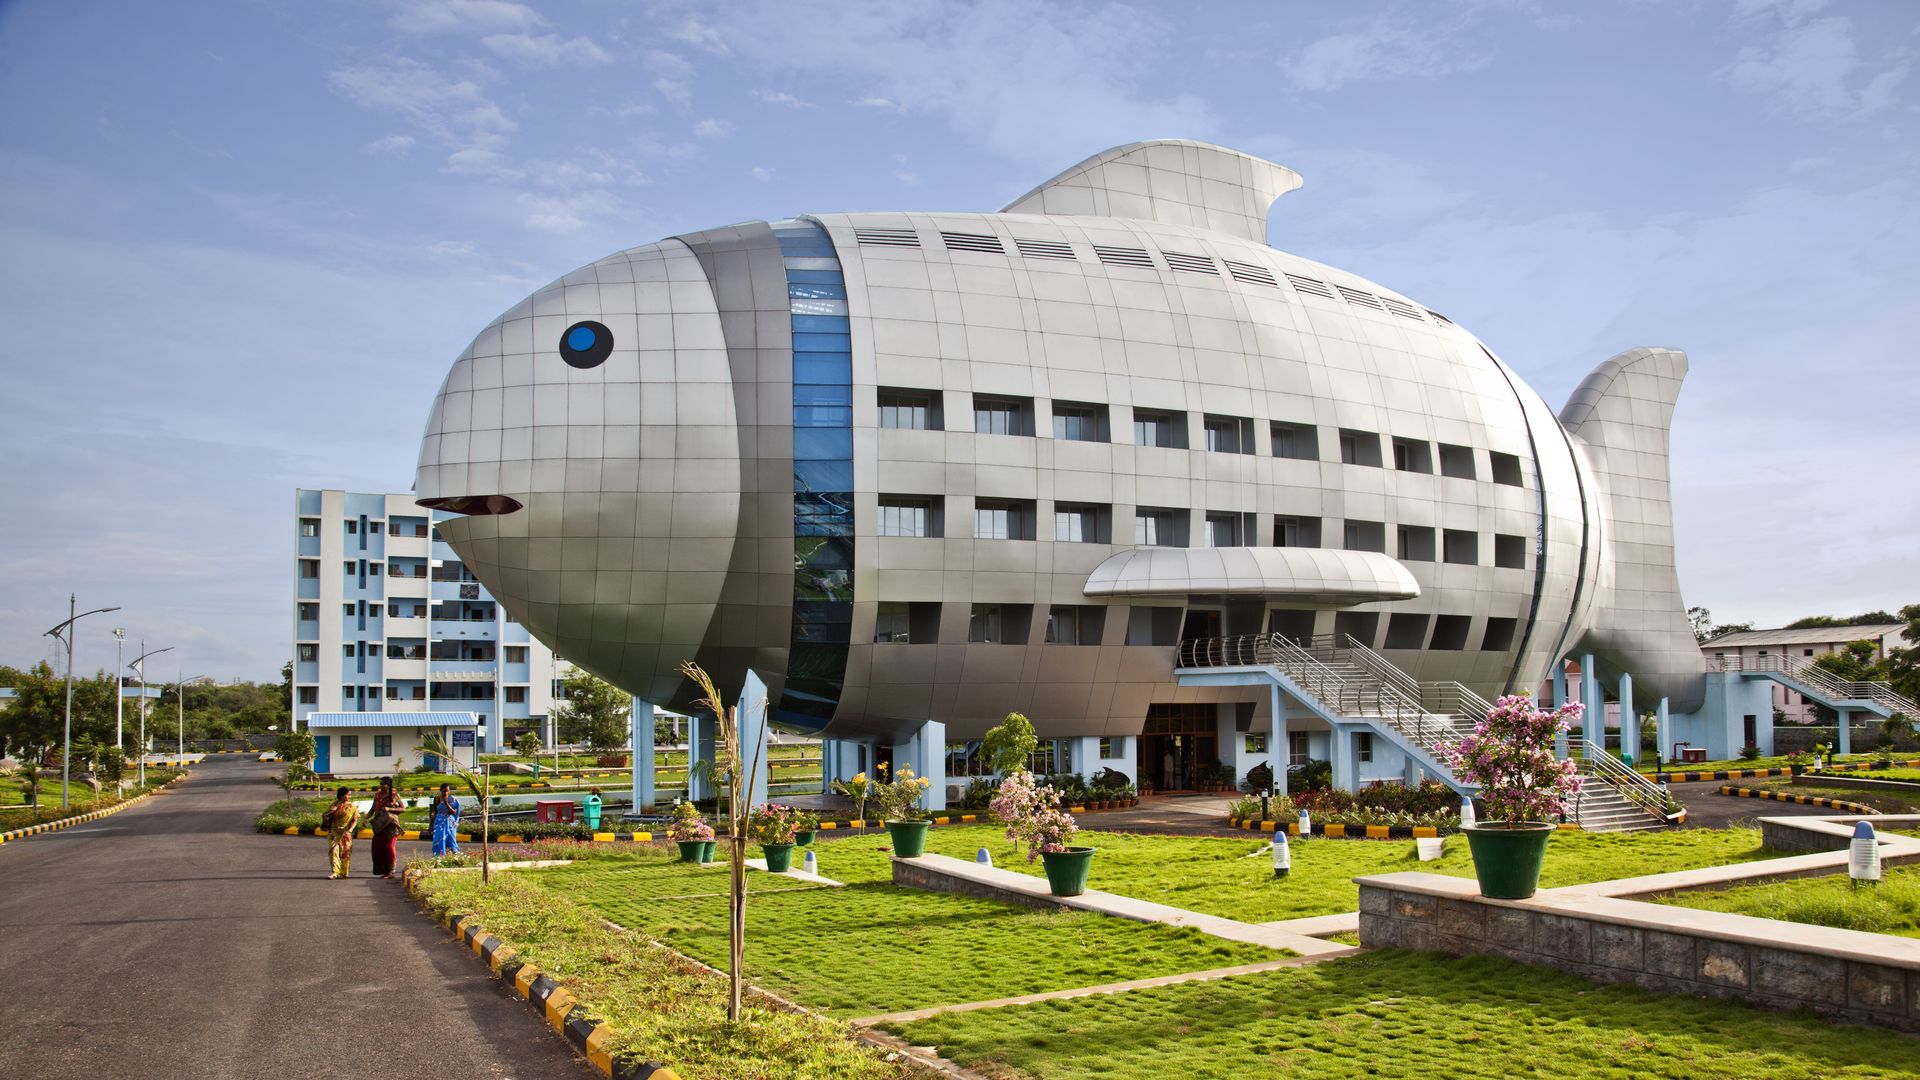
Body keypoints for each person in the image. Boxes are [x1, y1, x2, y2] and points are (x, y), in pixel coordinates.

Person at [369, 776, 404, 879]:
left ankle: (391, 871)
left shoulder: (394, 795)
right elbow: (372, 809)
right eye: (380, 784)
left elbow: (402, 809)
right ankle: (384, 870)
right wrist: (366, 818)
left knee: (389, 847)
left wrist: (389, 808)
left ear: (388, 786)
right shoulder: (377, 795)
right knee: (378, 848)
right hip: (379, 825)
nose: (380, 786)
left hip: (391, 825)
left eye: (382, 784)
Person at [322, 787, 360, 879]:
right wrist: (331, 812)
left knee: (345, 852)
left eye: (349, 794)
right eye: (347, 794)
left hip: (345, 832)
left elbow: (354, 820)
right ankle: (335, 872)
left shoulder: (352, 806)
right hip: (334, 832)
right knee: (333, 851)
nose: (349, 796)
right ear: (342, 795)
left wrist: (350, 830)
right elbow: (324, 815)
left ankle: (343, 872)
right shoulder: (334, 805)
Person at [430, 782, 461, 857]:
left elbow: (454, 812)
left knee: (451, 839)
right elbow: (435, 809)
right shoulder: (437, 799)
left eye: (447, 791)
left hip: (449, 823)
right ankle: (440, 856)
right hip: (439, 823)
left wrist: (447, 804)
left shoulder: (452, 800)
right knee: (439, 839)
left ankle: (454, 855)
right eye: (444, 791)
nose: (445, 793)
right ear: (441, 791)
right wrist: (433, 814)